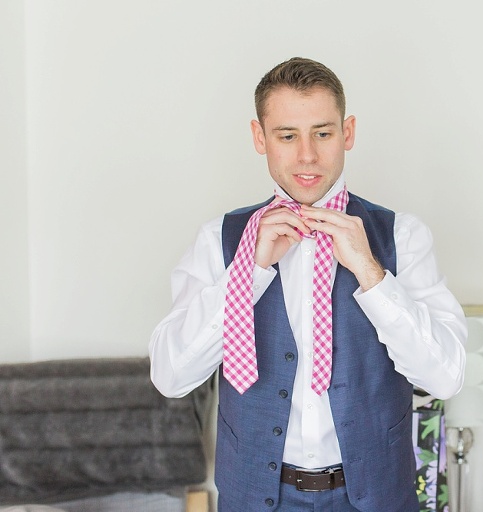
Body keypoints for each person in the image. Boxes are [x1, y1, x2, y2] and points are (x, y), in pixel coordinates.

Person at [149, 57, 466, 512]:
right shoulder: (218, 240)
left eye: (323, 133)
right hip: (254, 497)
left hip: (377, 497)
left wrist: (372, 274)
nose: (307, 156)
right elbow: (170, 377)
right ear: (260, 138)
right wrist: (248, 275)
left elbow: (446, 377)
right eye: (287, 136)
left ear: (348, 132)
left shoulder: (402, 236)